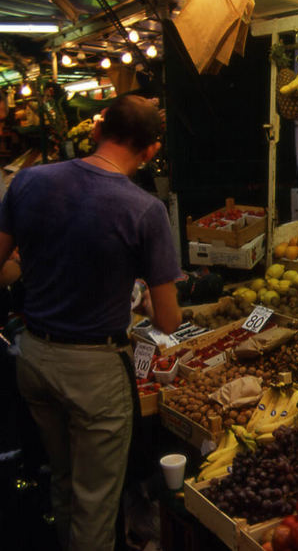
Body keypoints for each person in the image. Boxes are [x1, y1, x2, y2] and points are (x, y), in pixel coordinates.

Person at [0, 94, 182, 551]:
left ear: (98, 130)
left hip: (34, 357)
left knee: (62, 479)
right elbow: (169, 319)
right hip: (94, 373)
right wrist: (137, 296)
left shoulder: (27, 182)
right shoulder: (145, 210)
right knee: (96, 500)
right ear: (151, 151)